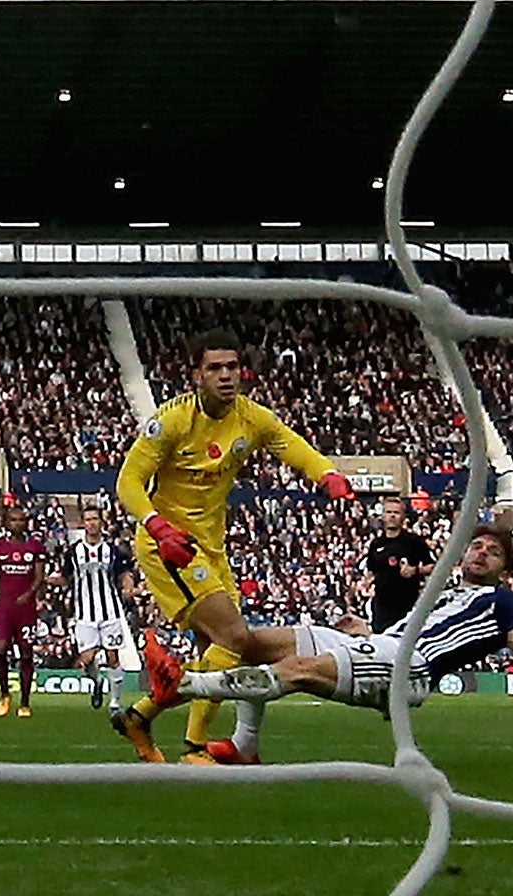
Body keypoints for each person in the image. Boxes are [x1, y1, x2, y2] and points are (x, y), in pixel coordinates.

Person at [111, 327, 354, 766]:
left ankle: (140, 714)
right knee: (234, 636)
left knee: (221, 651)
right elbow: (127, 481)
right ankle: (194, 747)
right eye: (214, 368)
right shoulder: (171, 421)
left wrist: (326, 473)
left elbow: (290, 443)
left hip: (212, 547)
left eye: (232, 367)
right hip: (170, 545)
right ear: (196, 375)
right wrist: (158, 527)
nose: (225, 375)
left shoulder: (251, 417)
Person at [142, 525, 513, 751]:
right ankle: (244, 745)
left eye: (493, 552)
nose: (480, 553)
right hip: (385, 646)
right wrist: (366, 632)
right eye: (477, 546)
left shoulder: (502, 599)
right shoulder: (446, 591)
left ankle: (183, 683)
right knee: (251, 644)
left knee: (297, 671)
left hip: (408, 666)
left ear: (504, 568)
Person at [66, 505, 139, 711]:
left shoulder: (112, 550)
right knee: (88, 659)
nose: (91, 523)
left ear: (101, 522)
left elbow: (123, 572)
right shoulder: (74, 552)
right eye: (87, 519)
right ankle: (97, 682)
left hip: (110, 611)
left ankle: (115, 702)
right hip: (85, 614)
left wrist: (128, 583)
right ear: (83, 523)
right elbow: (66, 576)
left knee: (112, 656)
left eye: (95, 519)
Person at [0, 502, 46, 718]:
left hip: (26, 610)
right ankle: (4, 694)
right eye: (14, 520)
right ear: (7, 523)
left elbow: (39, 577)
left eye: (21, 519)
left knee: (26, 653)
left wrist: (28, 595)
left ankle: (26, 702)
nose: (17, 523)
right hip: (4, 608)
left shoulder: (35, 547)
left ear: (26, 523)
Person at [364, 497, 435, 633]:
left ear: (403, 516)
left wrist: (415, 570)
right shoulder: (377, 544)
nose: (392, 516)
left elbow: (434, 566)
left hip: (407, 606)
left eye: (396, 513)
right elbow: (372, 570)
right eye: (388, 512)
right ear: (383, 516)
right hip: (382, 607)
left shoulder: (414, 541)